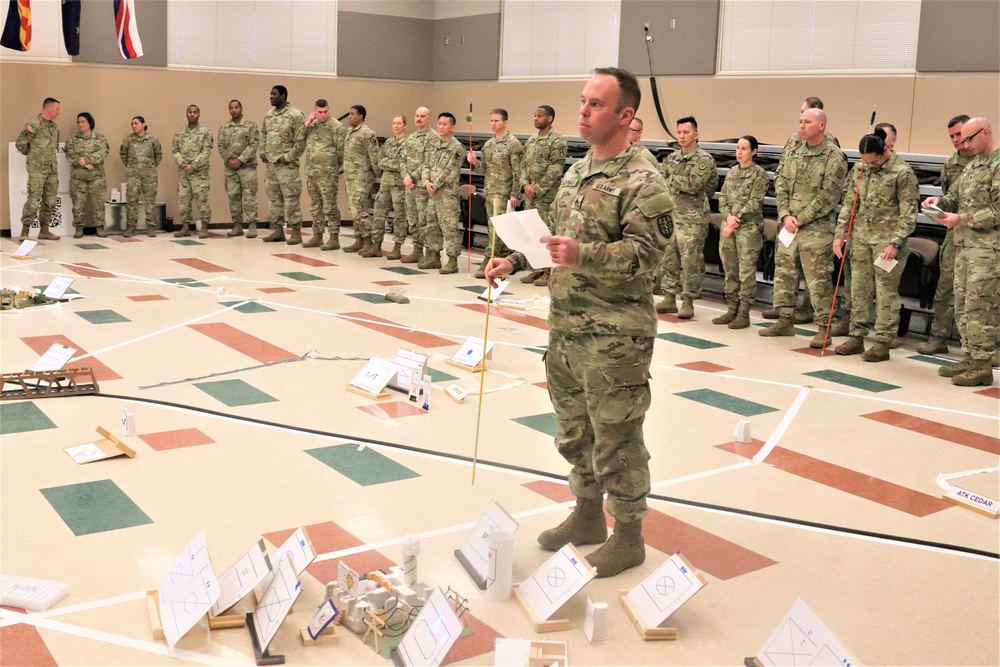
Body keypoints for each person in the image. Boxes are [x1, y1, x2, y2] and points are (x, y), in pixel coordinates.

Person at [485, 67, 673, 578]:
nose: (583, 112)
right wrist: (518, 261)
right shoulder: (577, 170)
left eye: (595, 104)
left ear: (625, 115)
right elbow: (557, 242)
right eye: (583, 101)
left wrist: (582, 254)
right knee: (575, 432)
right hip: (566, 329)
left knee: (618, 438)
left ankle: (629, 534)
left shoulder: (644, 180)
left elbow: (647, 255)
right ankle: (588, 515)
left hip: (616, 337)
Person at [760, 107, 847, 349]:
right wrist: (786, 214)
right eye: (800, 121)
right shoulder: (794, 151)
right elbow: (781, 181)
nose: (802, 126)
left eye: (807, 122)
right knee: (784, 275)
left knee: (817, 282)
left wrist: (801, 217)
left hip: (816, 229)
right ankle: (785, 320)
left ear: (822, 125)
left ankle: (823, 328)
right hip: (790, 226)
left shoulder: (833, 156)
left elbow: (829, 195)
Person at [922, 117, 999, 387]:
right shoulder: (972, 166)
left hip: (987, 251)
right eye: (961, 139)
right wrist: (938, 202)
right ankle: (970, 356)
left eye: (969, 138)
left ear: (986, 133)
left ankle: (982, 365)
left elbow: (997, 211)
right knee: (963, 306)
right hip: (964, 247)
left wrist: (961, 219)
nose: (964, 144)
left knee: (980, 308)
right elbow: (955, 197)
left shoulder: (998, 166)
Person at [833, 128, 918, 361]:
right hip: (861, 238)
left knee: (885, 293)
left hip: (887, 244)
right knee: (858, 289)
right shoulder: (861, 169)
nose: (871, 165)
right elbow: (850, 204)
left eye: (875, 161)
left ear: (885, 151)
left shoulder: (902, 173)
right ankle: (856, 336)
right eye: (866, 162)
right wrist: (840, 234)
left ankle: (883, 341)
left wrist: (896, 243)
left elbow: (909, 214)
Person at [918, 114, 972, 356]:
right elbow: (949, 196)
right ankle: (938, 336)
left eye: (959, 134)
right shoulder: (951, 164)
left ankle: (986, 347)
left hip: (985, 237)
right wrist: (938, 204)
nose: (956, 139)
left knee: (984, 292)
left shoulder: (990, 162)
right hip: (954, 235)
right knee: (945, 287)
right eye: (952, 136)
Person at [654, 116, 717, 319]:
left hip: (693, 217)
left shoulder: (703, 159)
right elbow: (659, 180)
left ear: (696, 135)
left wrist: (672, 178)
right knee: (669, 258)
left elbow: (695, 185)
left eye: (686, 132)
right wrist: (672, 180)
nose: (682, 136)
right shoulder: (672, 158)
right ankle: (669, 297)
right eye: (679, 132)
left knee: (690, 260)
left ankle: (688, 300)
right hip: (672, 215)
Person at [714, 135, 768, 329]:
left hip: (748, 229)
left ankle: (744, 313)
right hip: (729, 227)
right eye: (738, 148)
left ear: (754, 152)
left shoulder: (759, 174)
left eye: (744, 148)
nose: (739, 152)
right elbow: (723, 199)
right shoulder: (732, 173)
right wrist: (728, 217)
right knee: (730, 270)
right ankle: (731, 308)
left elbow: (754, 203)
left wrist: (734, 220)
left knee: (746, 272)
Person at [468, 108, 524, 278]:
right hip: (490, 192)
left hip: (504, 193)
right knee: (493, 227)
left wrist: (515, 194)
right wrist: (474, 162)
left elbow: (518, 172)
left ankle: (489, 259)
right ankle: (500, 260)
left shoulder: (513, 144)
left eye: (497, 121)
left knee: (496, 230)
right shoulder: (488, 145)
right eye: (491, 120)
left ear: (505, 122)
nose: (493, 124)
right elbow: (483, 169)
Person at [518, 105, 568, 286]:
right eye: (534, 115)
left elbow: (555, 169)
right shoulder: (531, 141)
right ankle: (536, 269)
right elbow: (522, 165)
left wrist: (537, 189)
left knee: (546, 233)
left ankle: (548, 271)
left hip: (546, 197)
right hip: (530, 196)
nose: (535, 118)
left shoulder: (557, 141)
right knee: (531, 234)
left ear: (550, 119)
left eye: (540, 116)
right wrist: (525, 185)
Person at [260, 85, 306, 245]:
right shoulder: (269, 115)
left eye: (274, 94)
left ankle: (296, 232)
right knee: (274, 199)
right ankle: (278, 231)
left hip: (287, 166)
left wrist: (287, 157)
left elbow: (301, 142)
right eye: (270, 94)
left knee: (291, 199)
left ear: (283, 96)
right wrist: (262, 151)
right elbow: (263, 135)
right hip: (271, 166)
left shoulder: (295, 115)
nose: (271, 97)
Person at [421, 112, 466, 273]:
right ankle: (433, 256)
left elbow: (451, 170)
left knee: (449, 228)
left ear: (452, 127)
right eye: (439, 124)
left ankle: (452, 260)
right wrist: (426, 182)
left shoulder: (457, 148)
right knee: (431, 225)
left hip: (447, 194)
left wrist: (436, 184)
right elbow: (426, 165)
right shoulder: (433, 144)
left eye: (444, 124)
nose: (441, 127)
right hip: (432, 192)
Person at [302, 99, 346, 250]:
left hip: (328, 174)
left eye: (325, 112)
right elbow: (298, 139)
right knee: (315, 206)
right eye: (319, 112)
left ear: (329, 110)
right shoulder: (312, 125)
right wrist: (307, 122)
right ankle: (317, 235)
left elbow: (341, 151)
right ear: (315, 111)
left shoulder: (336, 127)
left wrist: (333, 167)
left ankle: (334, 238)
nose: (322, 115)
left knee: (330, 207)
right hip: (312, 172)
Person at [16, 97, 61, 241]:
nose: (59, 112)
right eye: (57, 109)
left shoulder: (55, 128)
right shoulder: (33, 124)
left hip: (52, 170)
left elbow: (54, 147)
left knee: (50, 201)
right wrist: (34, 157)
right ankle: (25, 231)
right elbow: (21, 143)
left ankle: (44, 230)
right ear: (48, 108)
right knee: (34, 200)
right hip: (37, 170)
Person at [342, 105, 382, 257]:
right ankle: (360, 240)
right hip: (351, 177)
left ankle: (373, 240)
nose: (349, 117)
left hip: (362, 177)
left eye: (352, 114)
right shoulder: (350, 132)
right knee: (353, 211)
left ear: (360, 116)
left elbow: (374, 156)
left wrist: (377, 175)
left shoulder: (367, 133)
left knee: (357, 210)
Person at [400, 107, 439, 264]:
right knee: (413, 219)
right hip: (410, 186)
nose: (419, 119)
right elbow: (403, 158)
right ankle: (417, 250)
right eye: (417, 116)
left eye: (422, 116)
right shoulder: (411, 137)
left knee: (425, 221)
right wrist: (405, 176)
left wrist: (412, 176)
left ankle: (430, 253)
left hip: (423, 186)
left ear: (429, 119)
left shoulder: (433, 138)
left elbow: (429, 162)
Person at [218, 99, 260, 238]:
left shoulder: (250, 125)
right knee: (233, 196)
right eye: (231, 108)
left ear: (241, 109)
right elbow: (221, 146)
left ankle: (252, 225)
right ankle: (237, 225)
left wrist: (240, 160)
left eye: (236, 107)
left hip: (247, 167)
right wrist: (230, 160)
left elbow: (254, 144)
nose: (234, 110)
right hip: (231, 168)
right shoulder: (224, 127)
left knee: (249, 196)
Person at [65, 112, 109, 239]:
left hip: (96, 177)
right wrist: (82, 163)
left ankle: (100, 227)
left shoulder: (99, 138)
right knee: (78, 203)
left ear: (90, 122)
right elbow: (69, 152)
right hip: (78, 177)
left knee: (98, 203)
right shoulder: (73, 138)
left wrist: (87, 160)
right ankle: (79, 228)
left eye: (83, 121)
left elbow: (102, 152)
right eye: (78, 122)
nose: (80, 124)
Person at [172, 104, 213, 238]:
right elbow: (175, 150)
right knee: (183, 201)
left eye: (195, 112)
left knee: (201, 200)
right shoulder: (180, 133)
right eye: (190, 112)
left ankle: (205, 227)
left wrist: (193, 166)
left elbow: (206, 151)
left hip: (199, 173)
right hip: (184, 173)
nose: (192, 114)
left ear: (198, 114)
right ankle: (185, 227)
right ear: (186, 114)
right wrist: (183, 164)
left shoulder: (205, 132)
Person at [119, 115, 163, 238]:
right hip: (133, 175)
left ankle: (151, 227)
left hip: (149, 175)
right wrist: (131, 167)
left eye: (136, 123)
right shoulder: (128, 140)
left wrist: (150, 167)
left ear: (143, 124)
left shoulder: (152, 139)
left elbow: (158, 155)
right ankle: (131, 227)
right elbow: (123, 154)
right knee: (132, 201)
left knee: (150, 201)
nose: (133, 126)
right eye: (132, 124)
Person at [376, 114, 409, 260]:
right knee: (378, 213)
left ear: (405, 126)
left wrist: (389, 163)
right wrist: (391, 163)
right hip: (385, 183)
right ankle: (376, 244)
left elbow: (403, 164)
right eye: (394, 123)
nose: (396, 125)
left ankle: (397, 247)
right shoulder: (388, 142)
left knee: (399, 216)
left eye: (399, 123)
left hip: (398, 185)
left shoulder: (407, 143)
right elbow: (379, 160)